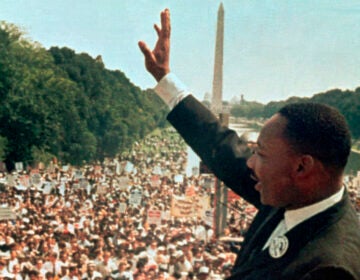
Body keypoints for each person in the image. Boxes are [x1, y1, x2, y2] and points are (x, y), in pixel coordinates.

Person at [138, 8, 360, 280]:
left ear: (302, 167)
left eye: (261, 155)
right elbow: (222, 146)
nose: (250, 163)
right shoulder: (295, 195)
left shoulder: (331, 269)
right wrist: (165, 79)